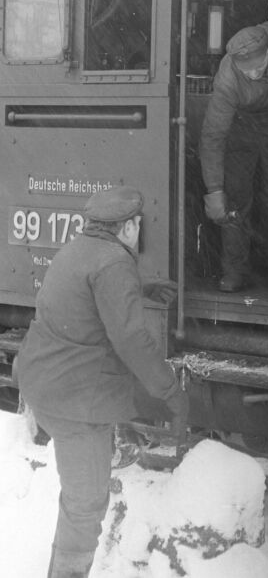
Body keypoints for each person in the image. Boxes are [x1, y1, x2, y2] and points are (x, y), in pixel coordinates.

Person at [17, 186, 187, 578]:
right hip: (75, 400)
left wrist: (139, 287)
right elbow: (133, 341)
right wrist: (170, 392)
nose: (138, 231)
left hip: (47, 381)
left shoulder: (78, 249)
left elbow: (87, 289)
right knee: (85, 505)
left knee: (80, 499)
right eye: (137, 225)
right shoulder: (114, 263)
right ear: (127, 227)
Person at [200, 12, 268, 292]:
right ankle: (235, 271)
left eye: (259, 66)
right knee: (235, 202)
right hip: (243, 131)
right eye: (247, 70)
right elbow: (213, 136)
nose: (254, 74)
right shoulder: (227, 80)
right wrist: (214, 190)